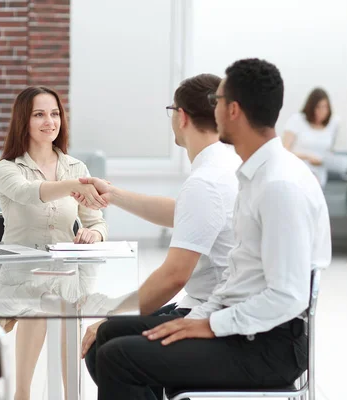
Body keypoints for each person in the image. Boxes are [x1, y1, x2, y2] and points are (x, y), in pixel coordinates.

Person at [90, 59, 331, 400]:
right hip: (243, 326)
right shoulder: (253, 174)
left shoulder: (279, 185)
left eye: (216, 100)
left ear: (232, 110)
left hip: (268, 345)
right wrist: (197, 318)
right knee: (111, 337)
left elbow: (288, 296)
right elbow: (236, 279)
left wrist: (207, 325)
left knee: (119, 357)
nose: (210, 108)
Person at [73, 74, 241, 398]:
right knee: (110, 340)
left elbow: (173, 277)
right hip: (216, 305)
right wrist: (114, 195)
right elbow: (183, 214)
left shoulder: (206, 181)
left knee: (106, 343)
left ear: (182, 117)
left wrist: (110, 317)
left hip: (213, 314)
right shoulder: (225, 165)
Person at [0, 86, 109, 400]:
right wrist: (75, 186)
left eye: (55, 113)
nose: (50, 121)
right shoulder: (6, 169)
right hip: (20, 274)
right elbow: (30, 192)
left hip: (66, 271)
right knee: (41, 301)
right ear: (23, 121)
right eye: (40, 114)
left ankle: (72, 394)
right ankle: (23, 394)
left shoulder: (76, 168)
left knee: (63, 300)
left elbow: (96, 221)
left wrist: (93, 234)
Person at [282, 87, 339, 186]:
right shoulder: (297, 120)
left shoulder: (333, 124)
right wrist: (307, 157)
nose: (321, 111)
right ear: (311, 107)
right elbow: (284, 150)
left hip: (318, 171)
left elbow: (329, 151)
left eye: (325, 107)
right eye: (318, 107)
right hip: (297, 168)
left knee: (313, 184)